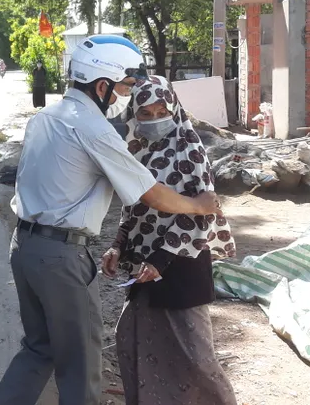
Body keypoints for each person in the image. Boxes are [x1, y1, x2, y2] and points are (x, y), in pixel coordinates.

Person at [0, 35, 224, 405]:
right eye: (126, 87)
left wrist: (119, 243)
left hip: (24, 247)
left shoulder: (45, 118)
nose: (128, 98)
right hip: (61, 256)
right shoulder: (93, 128)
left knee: (38, 348)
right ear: (103, 86)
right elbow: (150, 195)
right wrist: (199, 205)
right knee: (81, 362)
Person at [103, 75, 238, 405]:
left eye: (161, 112)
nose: (154, 120)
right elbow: (132, 209)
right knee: (134, 342)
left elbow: (203, 212)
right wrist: (118, 245)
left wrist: (160, 260)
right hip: (144, 267)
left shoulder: (190, 150)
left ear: (174, 109)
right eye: (145, 114)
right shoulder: (137, 151)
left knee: (196, 358)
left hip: (180, 267)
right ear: (134, 115)